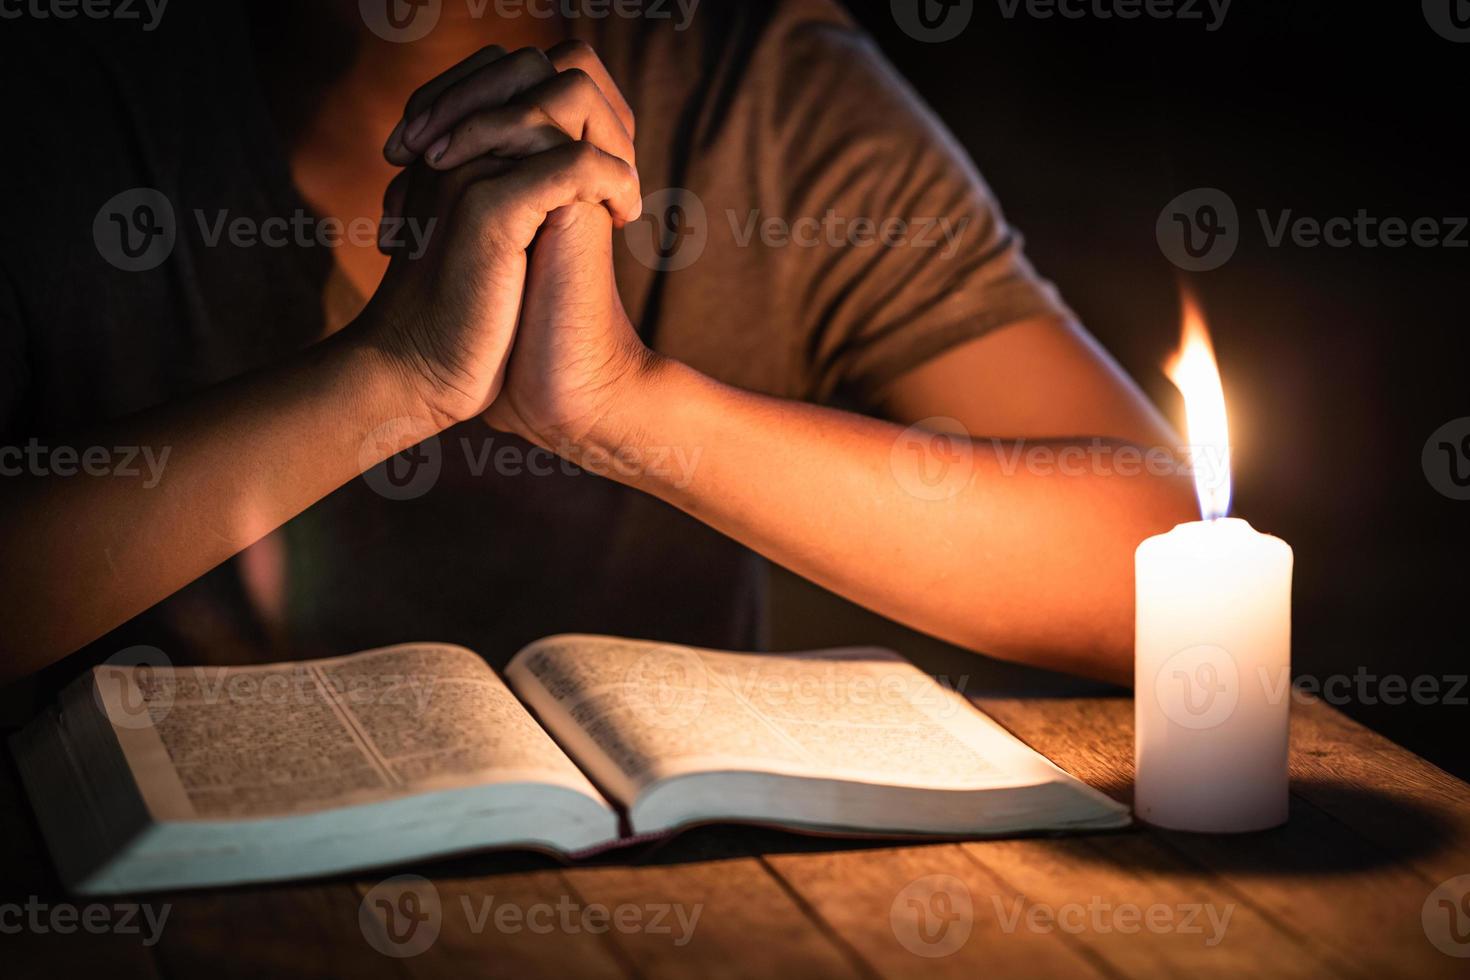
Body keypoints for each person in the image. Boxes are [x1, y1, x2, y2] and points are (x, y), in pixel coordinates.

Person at [0, 0, 1194, 695]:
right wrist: (392, 377)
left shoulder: (764, 94)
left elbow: (1163, 576)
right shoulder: (60, 93)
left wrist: (627, 405)